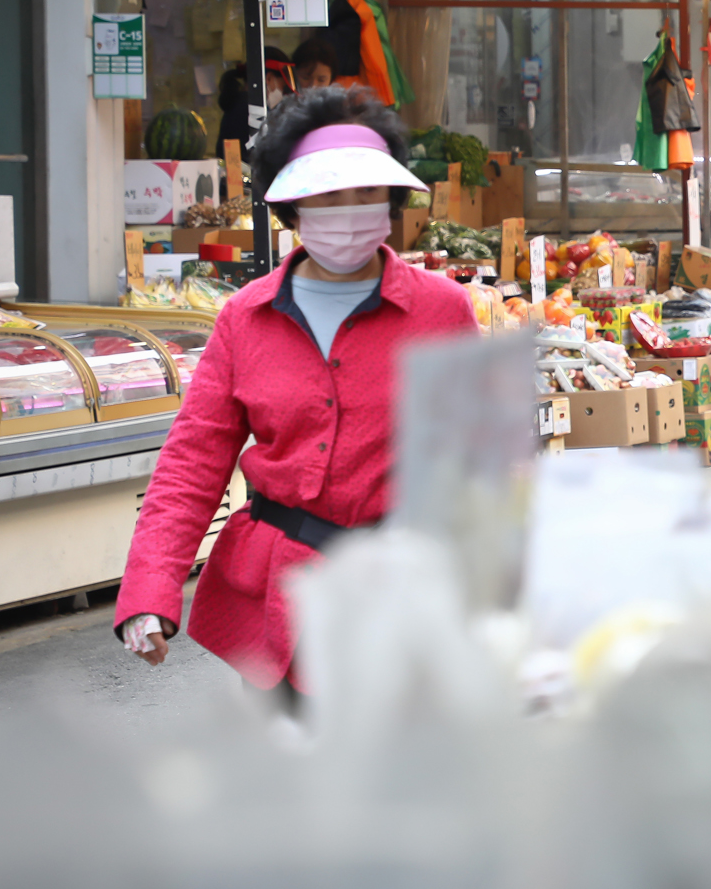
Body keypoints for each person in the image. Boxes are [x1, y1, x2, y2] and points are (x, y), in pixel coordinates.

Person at [113, 87, 478, 696]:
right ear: (292, 206)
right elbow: (192, 463)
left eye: (367, 193)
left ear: (392, 198)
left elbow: (483, 462)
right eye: (329, 196)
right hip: (280, 600)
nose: (351, 211)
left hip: (406, 599)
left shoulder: (443, 310)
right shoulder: (243, 318)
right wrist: (149, 592)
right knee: (293, 777)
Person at [216, 45, 295, 157]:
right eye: (284, 87)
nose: (285, 94)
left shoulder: (240, 104)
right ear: (269, 79)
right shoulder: (252, 110)